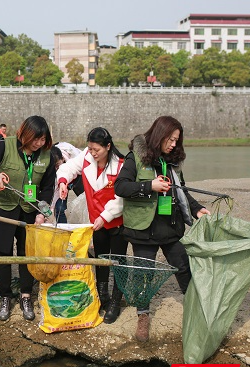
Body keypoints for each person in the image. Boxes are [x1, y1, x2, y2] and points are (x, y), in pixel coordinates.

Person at [114, 116, 209, 342]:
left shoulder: (173, 161)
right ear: (159, 135)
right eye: (171, 139)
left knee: (183, 267)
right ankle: (143, 316)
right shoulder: (135, 157)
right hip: (142, 228)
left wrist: (197, 210)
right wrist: (150, 186)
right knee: (143, 273)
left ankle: (196, 309)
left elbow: (182, 192)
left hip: (170, 225)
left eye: (177, 140)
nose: (174, 144)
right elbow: (121, 186)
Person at [0, 115, 56, 321]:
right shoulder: (4, 146)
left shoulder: (47, 156)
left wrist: (41, 212)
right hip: (2, 209)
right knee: (3, 255)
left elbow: (47, 187)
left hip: (28, 211)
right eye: (36, 138)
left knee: (27, 255)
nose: (39, 143)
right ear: (24, 133)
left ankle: (26, 294)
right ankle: (5, 296)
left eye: (43, 139)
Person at [57, 127, 127, 319]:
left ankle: (115, 301)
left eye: (97, 150)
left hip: (116, 221)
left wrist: (105, 217)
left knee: (118, 261)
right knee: (100, 258)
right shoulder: (87, 156)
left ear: (108, 146)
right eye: (90, 149)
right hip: (95, 221)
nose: (93, 153)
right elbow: (68, 168)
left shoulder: (121, 165)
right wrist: (63, 181)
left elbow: (121, 198)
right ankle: (102, 294)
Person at [50, 142, 84, 223]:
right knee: (59, 208)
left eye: (58, 165)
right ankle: (63, 230)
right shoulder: (52, 168)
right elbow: (54, 190)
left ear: (62, 158)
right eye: (54, 167)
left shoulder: (75, 155)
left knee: (86, 202)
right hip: (61, 181)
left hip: (79, 175)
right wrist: (51, 208)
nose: (56, 168)